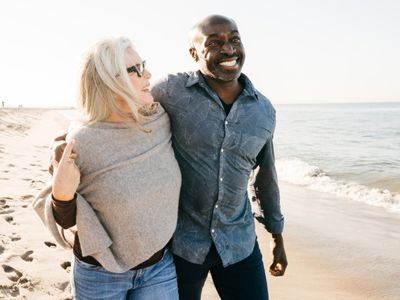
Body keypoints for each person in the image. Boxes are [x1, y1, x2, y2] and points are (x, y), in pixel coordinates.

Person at [150, 15, 288, 300]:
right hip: (181, 244)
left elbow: (265, 177)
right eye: (215, 43)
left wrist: (277, 235)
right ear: (194, 53)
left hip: (239, 243)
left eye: (234, 39)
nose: (228, 49)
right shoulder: (168, 92)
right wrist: (71, 138)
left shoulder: (263, 110)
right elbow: (119, 114)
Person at [34, 37, 181, 300]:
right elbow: (68, 221)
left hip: (159, 266)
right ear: (109, 83)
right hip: (99, 274)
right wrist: (62, 196)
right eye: (135, 70)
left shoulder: (159, 121)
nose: (147, 74)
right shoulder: (83, 142)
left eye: (143, 65)